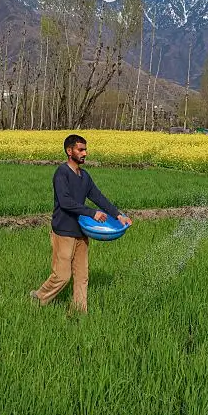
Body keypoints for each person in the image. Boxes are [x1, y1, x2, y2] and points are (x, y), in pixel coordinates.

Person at [31, 134, 132, 313]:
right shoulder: (62, 173)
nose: (85, 153)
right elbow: (65, 201)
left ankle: (78, 312)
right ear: (69, 151)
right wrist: (92, 213)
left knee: (82, 276)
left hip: (82, 232)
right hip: (63, 231)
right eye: (81, 149)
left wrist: (118, 216)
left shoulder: (84, 176)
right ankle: (38, 299)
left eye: (85, 149)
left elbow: (99, 197)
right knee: (62, 276)